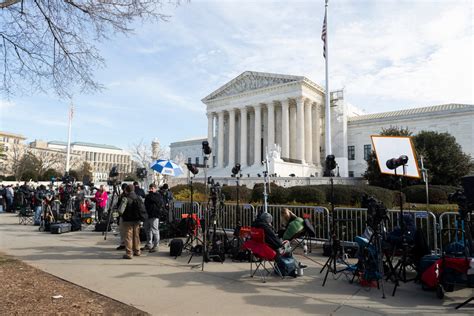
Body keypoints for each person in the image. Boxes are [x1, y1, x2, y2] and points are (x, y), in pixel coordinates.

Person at [120, 184, 147, 259]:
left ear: (126, 190)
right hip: (137, 220)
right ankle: (137, 250)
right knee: (136, 236)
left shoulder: (125, 198)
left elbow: (120, 210)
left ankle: (129, 253)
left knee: (128, 237)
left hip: (127, 220)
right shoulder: (138, 198)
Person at [143, 183, 164, 253]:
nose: (151, 190)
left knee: (155, 230)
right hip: (147, 215)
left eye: (152, 188)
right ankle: (149, 244)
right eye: (150, 188)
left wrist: (151, 194)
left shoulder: (158, 196)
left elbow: (159, 202)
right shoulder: (148, 196)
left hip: (154, 215)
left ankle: (156, 245)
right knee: (147, 230)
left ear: (155, 188)